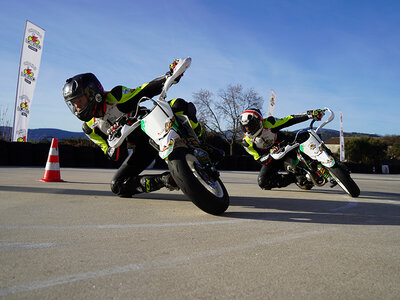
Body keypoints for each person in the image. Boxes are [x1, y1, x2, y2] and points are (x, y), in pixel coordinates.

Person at [62, 60, 202, 197]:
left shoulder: (115, 96)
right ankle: (168, 180)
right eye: (73, 104)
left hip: (155, 123)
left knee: (178, 105)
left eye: (79, 101)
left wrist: (171, 75)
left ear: (92, 93)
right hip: (143, 148)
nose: (77, 108)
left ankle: (200, 143)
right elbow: (115, 156)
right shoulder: (89, 128)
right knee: (117, 185)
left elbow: (144, 91)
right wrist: (115, 140)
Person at [239, 107, 324, 190]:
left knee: (304, 135)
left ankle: (321, 160)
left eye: (251, 125)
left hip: (287, 144)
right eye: (245, 127)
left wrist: (309, 114)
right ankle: (295, 177)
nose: (248, 129)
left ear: (259, 121)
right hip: (274, 158)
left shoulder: (269, 122)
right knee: (263, 182)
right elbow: (259, 158)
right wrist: (271, 155)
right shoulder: (247, 143)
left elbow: (289, 119)